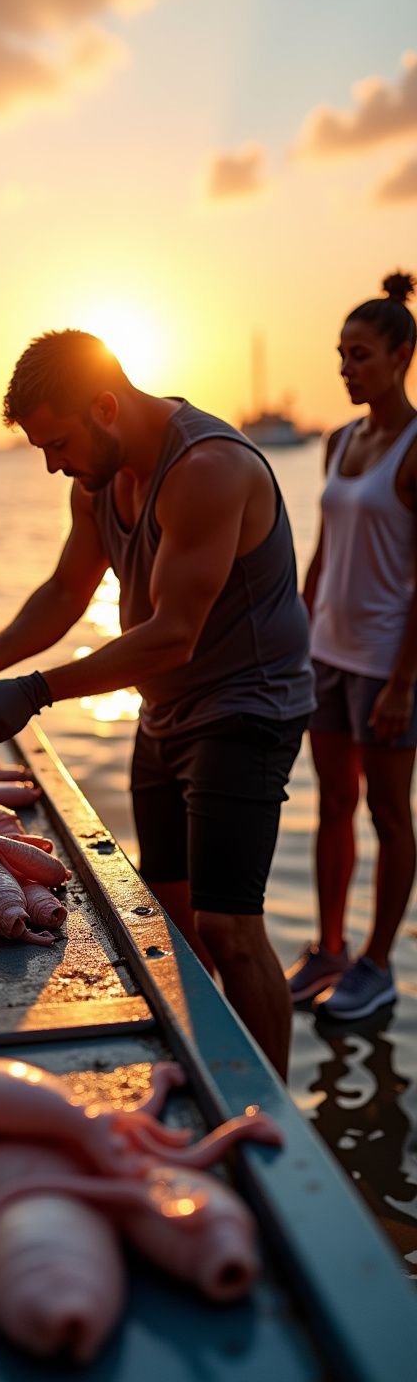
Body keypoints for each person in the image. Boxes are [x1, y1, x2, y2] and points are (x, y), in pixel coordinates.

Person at [0, 330, 314, 1079]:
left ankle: (267, 1110)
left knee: (230, 927)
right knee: (169, 915)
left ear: (105, 407)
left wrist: (35, 691)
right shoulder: (97, 478)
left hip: (246, 707)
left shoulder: (208, 469)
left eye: (58, 443)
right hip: (164, 711)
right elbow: (67, 590)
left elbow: (173, 635)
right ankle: (205, 1072)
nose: (51, 464)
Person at [287, 273, 417, 1022]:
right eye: (340, 355)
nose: (345, 368)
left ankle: (378, 965)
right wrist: (300, 637)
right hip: (328, 656)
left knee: (389, 814)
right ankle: (330, 949)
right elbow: (325, 552)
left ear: (402, 356)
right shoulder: (338, 441)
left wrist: (403, 682)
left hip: (388, 663)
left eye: (360, 355)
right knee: (333, 804)